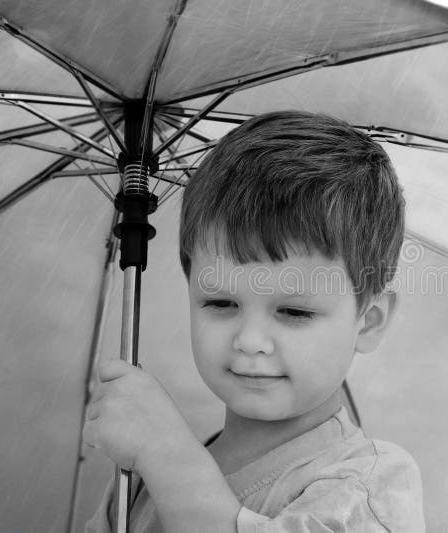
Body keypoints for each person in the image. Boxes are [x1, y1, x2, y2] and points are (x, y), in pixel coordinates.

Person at [84, 110, 425, 532]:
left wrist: (166, 452)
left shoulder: (368, 488)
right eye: (221, 303)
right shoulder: (139, 481)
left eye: (294, 311)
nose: (249, 340)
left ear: (368, 321)